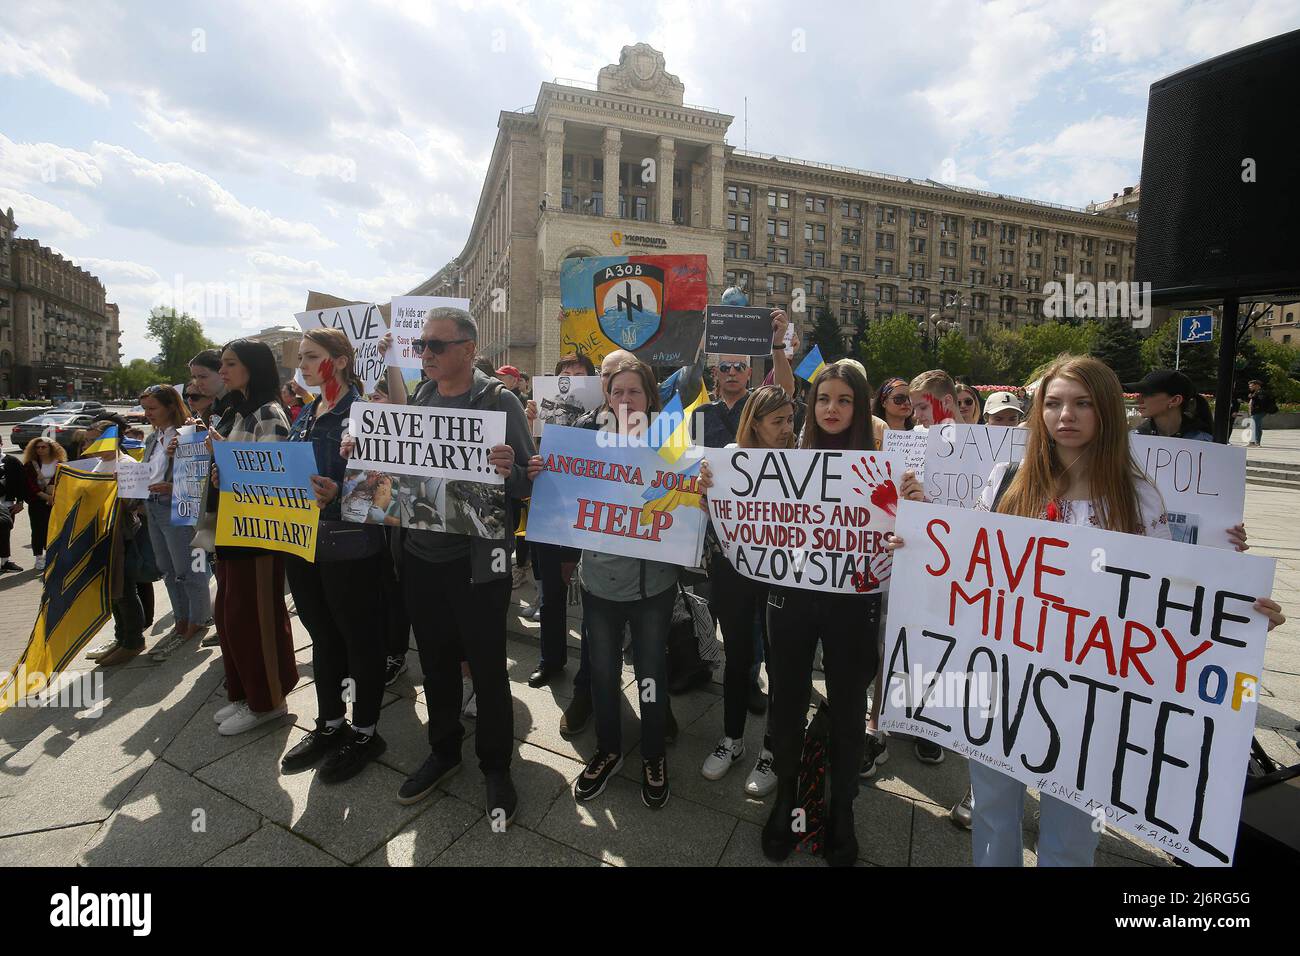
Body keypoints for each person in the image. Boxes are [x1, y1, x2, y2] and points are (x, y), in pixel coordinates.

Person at [886, 354, 1285, 865]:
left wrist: (1234, 610)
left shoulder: (1138, 498)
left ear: (1107, 414)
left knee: (1071, 836)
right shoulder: (1007, 480)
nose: (1065, 415)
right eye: (1053, 404)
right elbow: (971, 562)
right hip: (1000, 680)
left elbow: (1163, 593)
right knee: (992, 811)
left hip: (1088, 695)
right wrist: (919, 545)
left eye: (1082, 403)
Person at [762, 361, 925, 866]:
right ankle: (788, 797)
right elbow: (752, 513)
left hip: (853, 604)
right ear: (811, 406)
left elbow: (911, 538)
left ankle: (843, 805)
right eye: (823, 399)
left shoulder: (885, 468)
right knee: (786, 699)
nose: (832, 409)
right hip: (789, 599)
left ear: (859, 408)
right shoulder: (786, 459)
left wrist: (917, 510)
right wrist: (715, 491)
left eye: (844, 400)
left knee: (851, 706)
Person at [375, 308, 532, 825]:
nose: (426, 355)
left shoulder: (499, 400)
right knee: (437, 663)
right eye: (422, 346)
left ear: (468, 348)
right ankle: (443, 751)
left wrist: (510, 472)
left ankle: (495, 766)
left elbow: (529, 484)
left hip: (475, 563)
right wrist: (369, 453)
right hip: (421, 558)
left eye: (437, 346)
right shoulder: (420, 397)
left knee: (486, 669)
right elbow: (404, 471)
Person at [529, 357, 678, 809]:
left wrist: (703, 486)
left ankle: (653, 754)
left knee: (651, 672)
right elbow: (560, 503)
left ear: (649, 397)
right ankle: (608, 750)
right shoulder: (584, 444)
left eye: (635, 392)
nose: (626, 400)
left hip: (654, 586)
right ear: (606, 399)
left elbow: (690, 507)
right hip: (600, 583)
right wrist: (541, 471)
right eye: (617, 392)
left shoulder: (673, 444)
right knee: (603, 672)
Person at [279, 329, 390, 781]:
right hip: (304, 543)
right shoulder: (305, 412)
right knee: (322, 635)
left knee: (359, 638)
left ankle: (366, 731)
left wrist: (340, 493)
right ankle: (329, 724)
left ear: (341, 361)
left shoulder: (368, 414)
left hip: (352, 548)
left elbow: (385, 490)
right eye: (300, 358)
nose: (302, 366)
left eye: (312, 357)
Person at [699, 385, 795, 797]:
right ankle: (732, 739)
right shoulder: (726, 461)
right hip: (733, 572)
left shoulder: (800, 462)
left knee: (780, 662)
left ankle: (772, 749)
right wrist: (708, 500)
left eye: (791, 419)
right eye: (778, 422)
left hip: (781, 575)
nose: (788, 429)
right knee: (737, 658)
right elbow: (716, 519)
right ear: (754, 423)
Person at [205, 340, 299, 736]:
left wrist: (225, 460)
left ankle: (269, 701)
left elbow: (276, 480)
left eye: (230, 364)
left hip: (257, 534)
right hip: (229, 525)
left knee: (254, 617)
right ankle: (244, 694)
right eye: (222, 364)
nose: (222, 371)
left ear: (253, 368)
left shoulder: (270, 414)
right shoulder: (234, 409)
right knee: (229, 617)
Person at [522, 352, 598, 688]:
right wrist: (528, 425)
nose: (570, 378)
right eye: (564, 373)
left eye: (578, 373)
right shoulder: (537, 416)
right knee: (551, 595)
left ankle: (592, 669)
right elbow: (525, 459)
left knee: (592, 597)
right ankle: (550, 660)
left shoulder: (603, 418)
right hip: (551, 511)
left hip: (587, 513)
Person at [138, 384, 212, 663]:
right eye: (145, 409)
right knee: (167, 569)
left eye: (152, 408)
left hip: (178, 507)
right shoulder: (153, 438)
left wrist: (172, 486)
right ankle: (181, 619)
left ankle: (198, 619)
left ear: (170, 406)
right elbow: (148, 471)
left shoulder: (190, 432)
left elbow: (198, 473)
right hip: (153, 507)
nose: (147, 414)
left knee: (188, 568)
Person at [79, 415, 155, 666]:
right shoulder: (98, 465)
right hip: (101, 536)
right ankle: (121, 638)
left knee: (124, 590)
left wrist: (116, 493)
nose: (89, 447)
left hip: (122, 537)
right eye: (87, 441)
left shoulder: (127, 464)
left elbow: (137, 504)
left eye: (94, 441)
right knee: (112, 592)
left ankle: (132, 641)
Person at [1128, 369, 1212, 441]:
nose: (1138, 400)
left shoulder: (1204, 443)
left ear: (1175, 400)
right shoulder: (1134, 439)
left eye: (1148, 394)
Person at [21, 437, 66, 571]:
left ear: (51, 448)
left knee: (54, 529)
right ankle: (39, 557)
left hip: (57, 502)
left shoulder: (60, 464)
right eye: (37, 447)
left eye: (43, 447)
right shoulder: (30, 465)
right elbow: (29, 485)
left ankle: (51, 555)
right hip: (37, 502)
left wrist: (54, 496)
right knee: (37, 529)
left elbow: (64, 481)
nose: (40, 450)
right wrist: (45, 496)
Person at [189, 348, 227, 418]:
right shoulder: (215, 408)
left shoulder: (239, 407)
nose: (197, 383)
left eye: (203, 377)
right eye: (194, 377)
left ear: (222, 372)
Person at [1246, 378, 1276, 446]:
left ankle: (1256, 442)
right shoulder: (1256, 392)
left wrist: (1253, 397)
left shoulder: (1261, 392)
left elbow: (1262, 402)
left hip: (1259, 412)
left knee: (1256, 427)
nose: (1250, 387)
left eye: (1251, 386)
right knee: (1254, 426)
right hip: (1255, 412)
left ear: (1256, 385)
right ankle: (1252, 442)